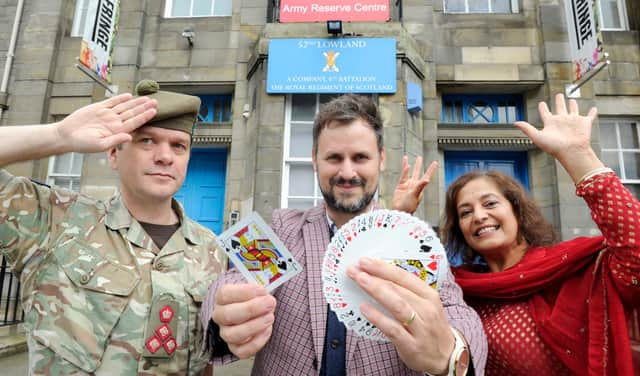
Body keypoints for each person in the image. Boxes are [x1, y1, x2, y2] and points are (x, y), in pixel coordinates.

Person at [201, 94, 487, 375]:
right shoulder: (282, 227)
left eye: (360, 157)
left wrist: (452, 352)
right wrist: (223, 312)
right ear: (315, 159)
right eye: (334, 158)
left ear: (381, 159)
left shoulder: (410, 240)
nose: (347, 172)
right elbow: (233, 281)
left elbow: (456, 310)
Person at [0, 80, 226, 374]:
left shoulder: (211, 249)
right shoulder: (53, 220)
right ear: (113, 154)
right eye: (146, 141)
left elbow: (203, 360)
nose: (165, 156)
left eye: (178, 146)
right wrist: (58, 135)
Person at [405, 94, 640, 375]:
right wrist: (402, 218)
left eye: (490, 203)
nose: (479, 216)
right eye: (465, 212)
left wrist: (578, 155)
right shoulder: (461, 290)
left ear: (517, 211)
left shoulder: (574, 271)